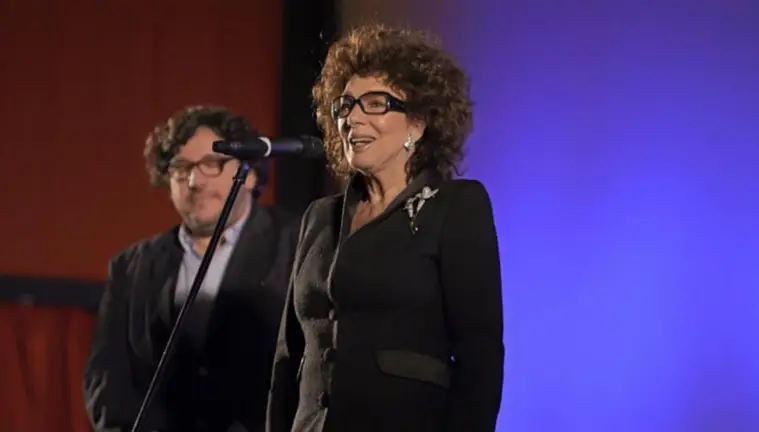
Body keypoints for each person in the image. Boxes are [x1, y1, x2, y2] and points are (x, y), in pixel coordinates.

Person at [267, 23, 504, 432]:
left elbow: (479, 358)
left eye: (375, 104)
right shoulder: (320, 216)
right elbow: (287, 358)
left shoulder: (455, 206)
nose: (352, 118)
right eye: (345, 105)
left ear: (418, 123)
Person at [84, 106, 300, 432]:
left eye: (212, 164)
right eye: (181, 168)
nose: (195, 181)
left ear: (250, 173)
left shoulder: (299, 245)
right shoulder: (131, 266)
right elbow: (106, 376)